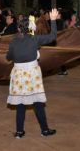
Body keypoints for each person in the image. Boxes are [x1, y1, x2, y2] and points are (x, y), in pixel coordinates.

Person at [7, 10, 58, 139]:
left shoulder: (13, 41)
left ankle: (19, 132)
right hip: (32, 74)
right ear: (31, 28)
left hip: (18, 75)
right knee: (38, 103)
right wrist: (53, 20)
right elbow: (52, 36)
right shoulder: (35, 39)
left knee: (20, 104)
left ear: (19, 28)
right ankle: (44, 130)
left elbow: (9, 57)